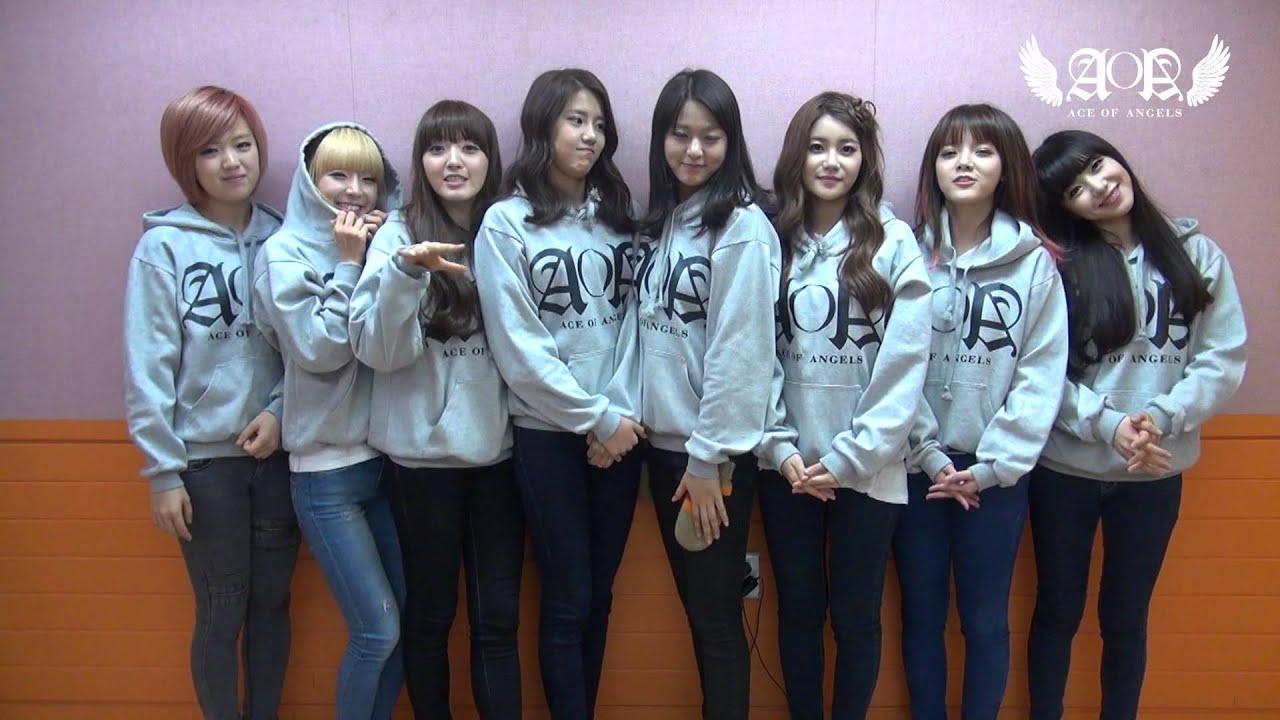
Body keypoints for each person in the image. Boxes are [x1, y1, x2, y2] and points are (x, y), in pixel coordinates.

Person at [1027, 130, 1247, 720]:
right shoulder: (1057, 267)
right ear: (1066, 208)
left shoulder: (1197, 255)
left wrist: (1160, 418)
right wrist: (1108, 425)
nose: (1098, 186)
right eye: (1075, 188)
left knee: (1126, 619)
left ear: (1118, 160)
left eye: (1099, 166)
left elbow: (1222, 357)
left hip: (1153, 472)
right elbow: (1041, 370)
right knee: (1057, 612)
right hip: (1066, 470)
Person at [123, 85, 299, 720]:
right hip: (203, 467)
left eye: (242, 145)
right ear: (185, 161)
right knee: (222, 610)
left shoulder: (284, 238)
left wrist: (280, 410)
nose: (231, 162)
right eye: (210, 150)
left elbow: (307, 349)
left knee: (273, 606)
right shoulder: (163, 248)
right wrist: (162, 472)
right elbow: (147, 367)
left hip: (279, 457)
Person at [474, 68, 644, 720]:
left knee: (600, 597)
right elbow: (519, 349)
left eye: (599, 124)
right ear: (543, 124)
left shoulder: (620, 220)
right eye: (576, 120)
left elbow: (640, 328)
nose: (590, 135)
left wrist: (619, 415)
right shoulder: (505, 223)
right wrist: (595, 417)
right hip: (548, 435)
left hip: (621, 435)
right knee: (568, 599)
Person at [757, 91, 932, 719]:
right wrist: (779, 447)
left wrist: (850, 460)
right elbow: (752, 352)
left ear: (865, 160)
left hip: (869, 469)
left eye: (847, 148)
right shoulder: (769, 240)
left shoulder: (894, 242)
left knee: (857, 618)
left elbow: (904, 366)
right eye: (817, 146)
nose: (831, 161)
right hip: (787, 469)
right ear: (796, 156)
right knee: (799, 612)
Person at [349, 100, 523, 719]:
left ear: (490, 159)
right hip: (420, 465)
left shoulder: (507, 228)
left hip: (500, 457)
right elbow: (377, 352)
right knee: (429, 615)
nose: (454, 162)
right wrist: (406, 275)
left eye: (470, 147)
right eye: (438, 147)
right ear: (420, 160)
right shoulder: (396, 235)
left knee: (497, 621)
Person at [894, 103, 1069, 719]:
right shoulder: (905, 253)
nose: (964, 163)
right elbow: (892, 367)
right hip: (914, 471)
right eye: (949, 152)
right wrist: (928, 453)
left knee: (986, 621)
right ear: (933, 169)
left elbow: (1040, 375)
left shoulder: (1034, 264)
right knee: (920, 617)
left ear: (1007, 166)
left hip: (996, 477)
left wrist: (992, 467)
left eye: (982, 150)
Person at [635, 68, 781, 720]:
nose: (693, 150)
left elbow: (739, 353)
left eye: (711, 137)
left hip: (710, 460)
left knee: (718, 621)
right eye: (680, 134)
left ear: (732, 142)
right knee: (701, 615)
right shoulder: (669, 221)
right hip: (667, 450)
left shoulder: (741, 227)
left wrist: (705, 457)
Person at [253, 122, 405, 720]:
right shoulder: (283, 252)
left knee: (403, 624)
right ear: (310, 182)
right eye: (337, 175)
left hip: (384, 464)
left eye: (369, 178)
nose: (355, 191)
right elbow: (318, 349)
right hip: (324, 476)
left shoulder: (384, 240)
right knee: (377, 629)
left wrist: (378, 254)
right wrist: (348, 264)